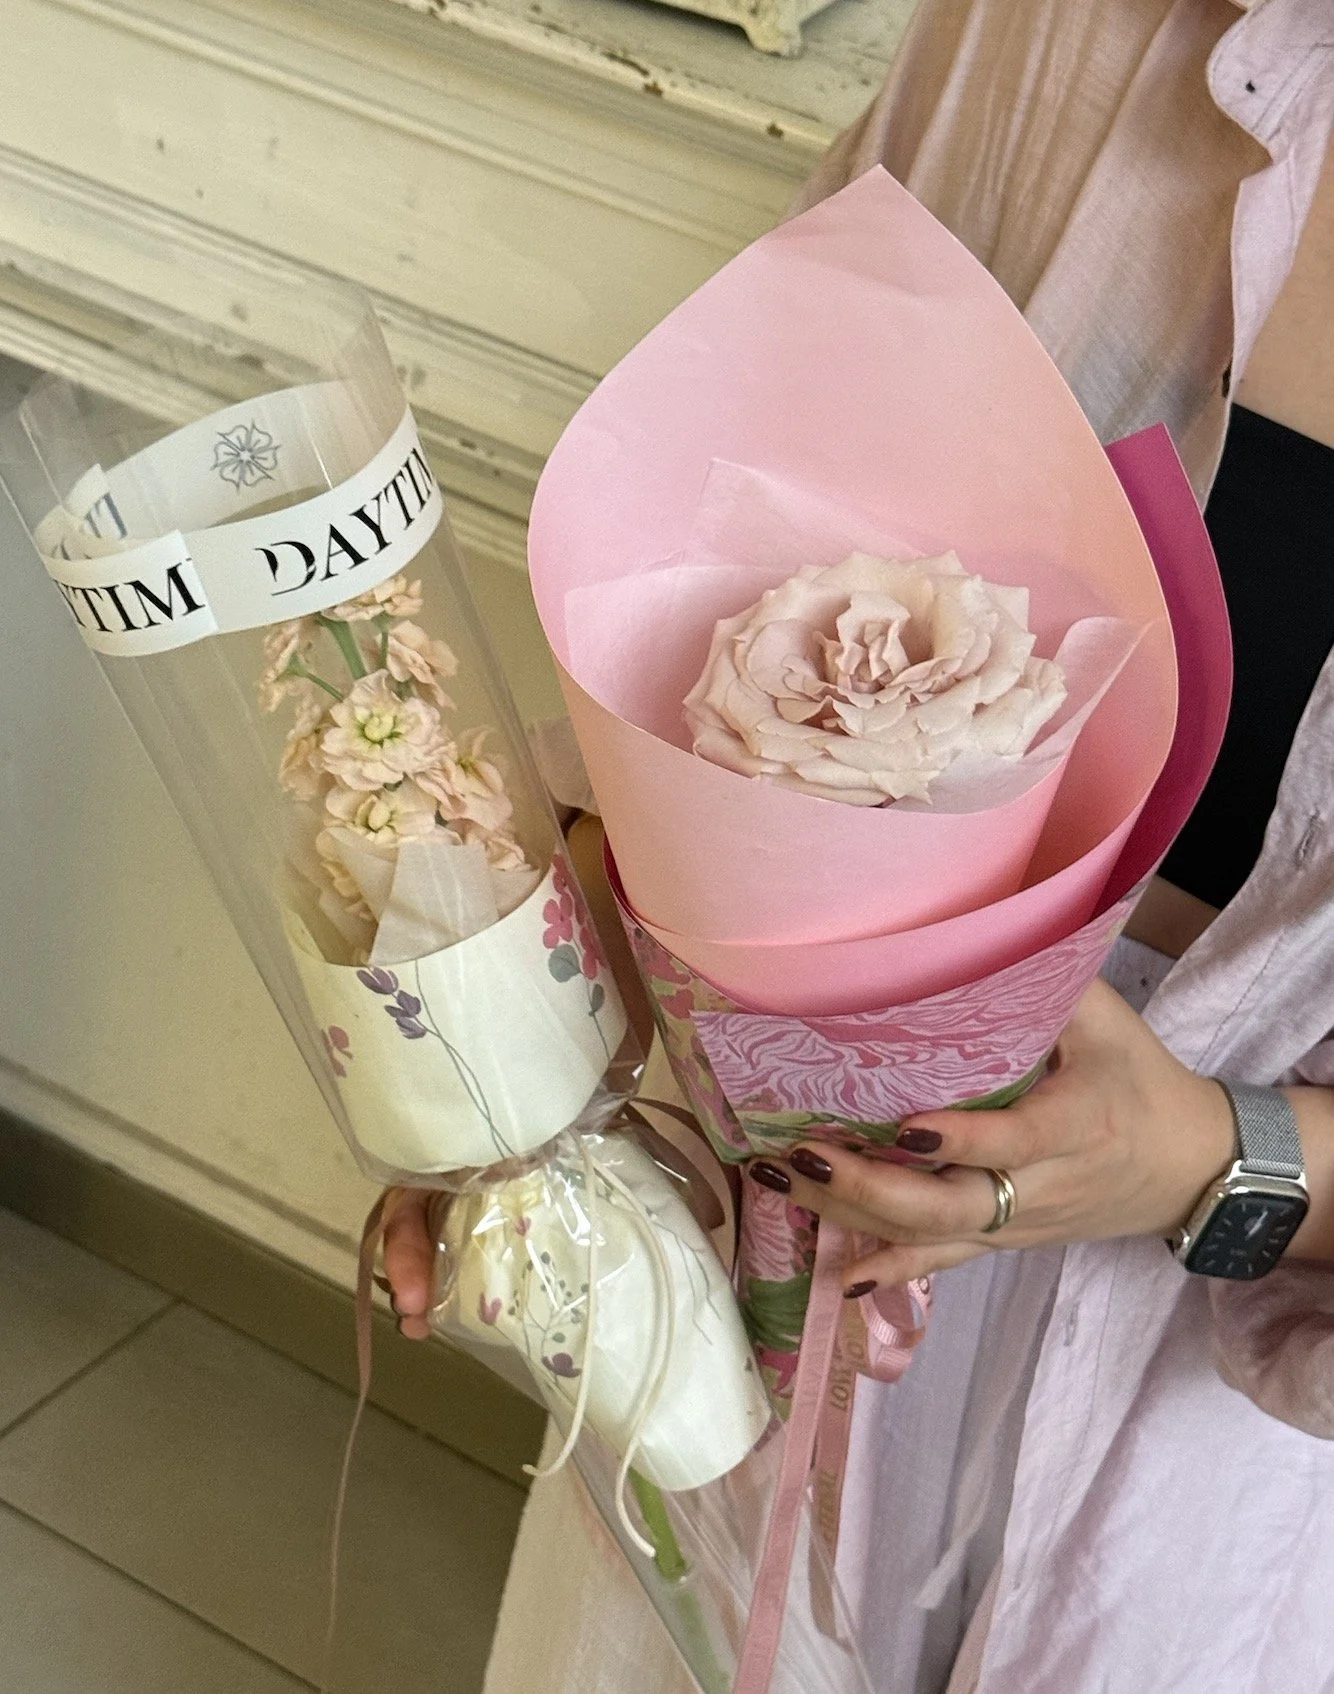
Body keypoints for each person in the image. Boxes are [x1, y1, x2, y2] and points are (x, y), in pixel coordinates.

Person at [386, 2, 1334, 1688]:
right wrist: (528, 1085)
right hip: (780, 1228)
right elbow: (733, 558)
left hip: (1220, 1433)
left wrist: (1208, 1155)